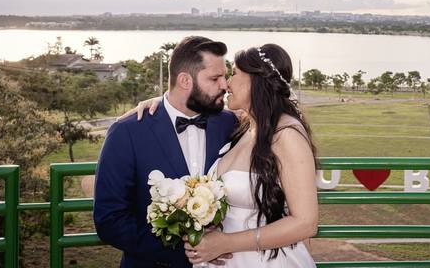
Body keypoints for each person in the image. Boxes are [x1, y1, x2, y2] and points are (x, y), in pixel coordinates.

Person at [130, 43, 318, 267]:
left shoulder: (287, 134)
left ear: (256, 81)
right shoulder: (246, 126)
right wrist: (159, 105)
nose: (227, 82)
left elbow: (306, 223)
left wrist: (227, 243)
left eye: (235, 73)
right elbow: (177, 107)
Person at [93, 36, 238, 267]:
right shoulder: (127, 132)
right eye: (215, 78)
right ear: (184, 80)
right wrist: (187, 252)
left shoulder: (231, 124)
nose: (225, 85)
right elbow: (109, 220)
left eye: (225, 76)